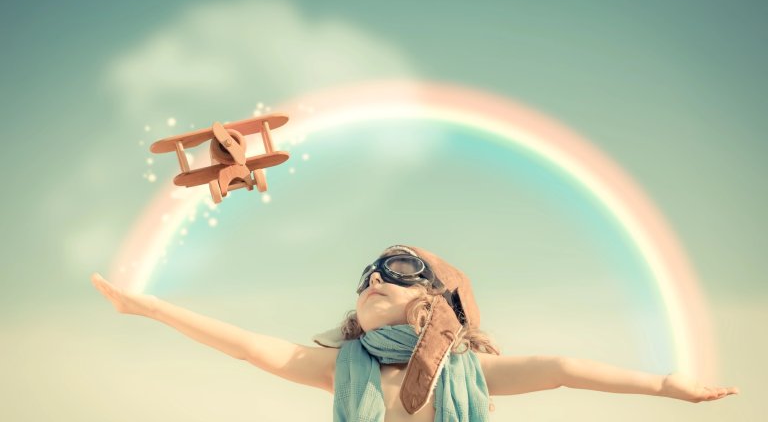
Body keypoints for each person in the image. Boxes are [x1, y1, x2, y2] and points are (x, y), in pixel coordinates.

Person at [91, 244, 739, 422]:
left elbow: (563, 368)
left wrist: (664, 384)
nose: (375, 277)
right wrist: (153, 309)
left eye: (397, 272)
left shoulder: (469, 372)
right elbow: (247, 346)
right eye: (367, 276)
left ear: (436, 299)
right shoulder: (344, 367)